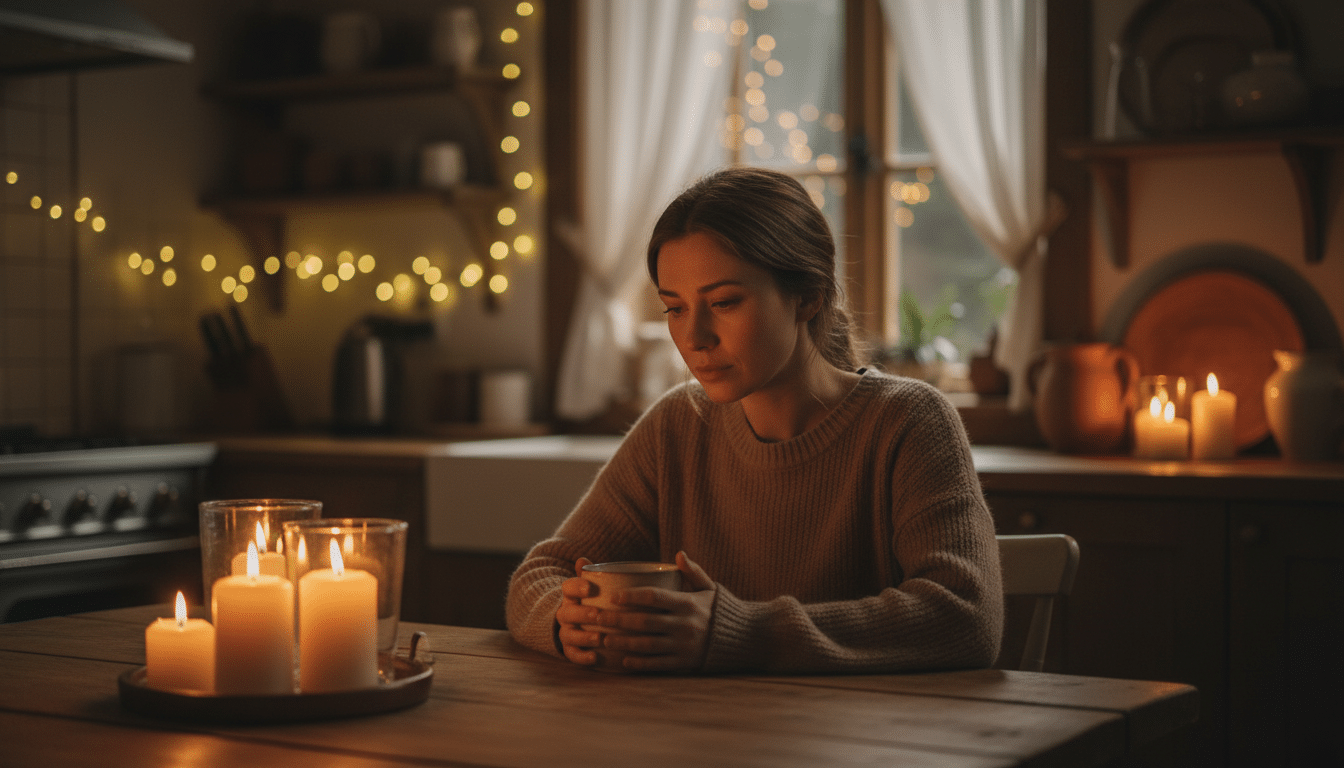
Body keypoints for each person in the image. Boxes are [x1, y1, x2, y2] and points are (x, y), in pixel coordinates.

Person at [506, 166, 1003, 674]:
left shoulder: (907, 421)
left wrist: (738, 631)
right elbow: (541, 574)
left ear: (808, 296)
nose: (695, 337)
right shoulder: (675, 426)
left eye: (723, 302)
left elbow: (966, 617)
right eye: (674, 309)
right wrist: (566, 623)